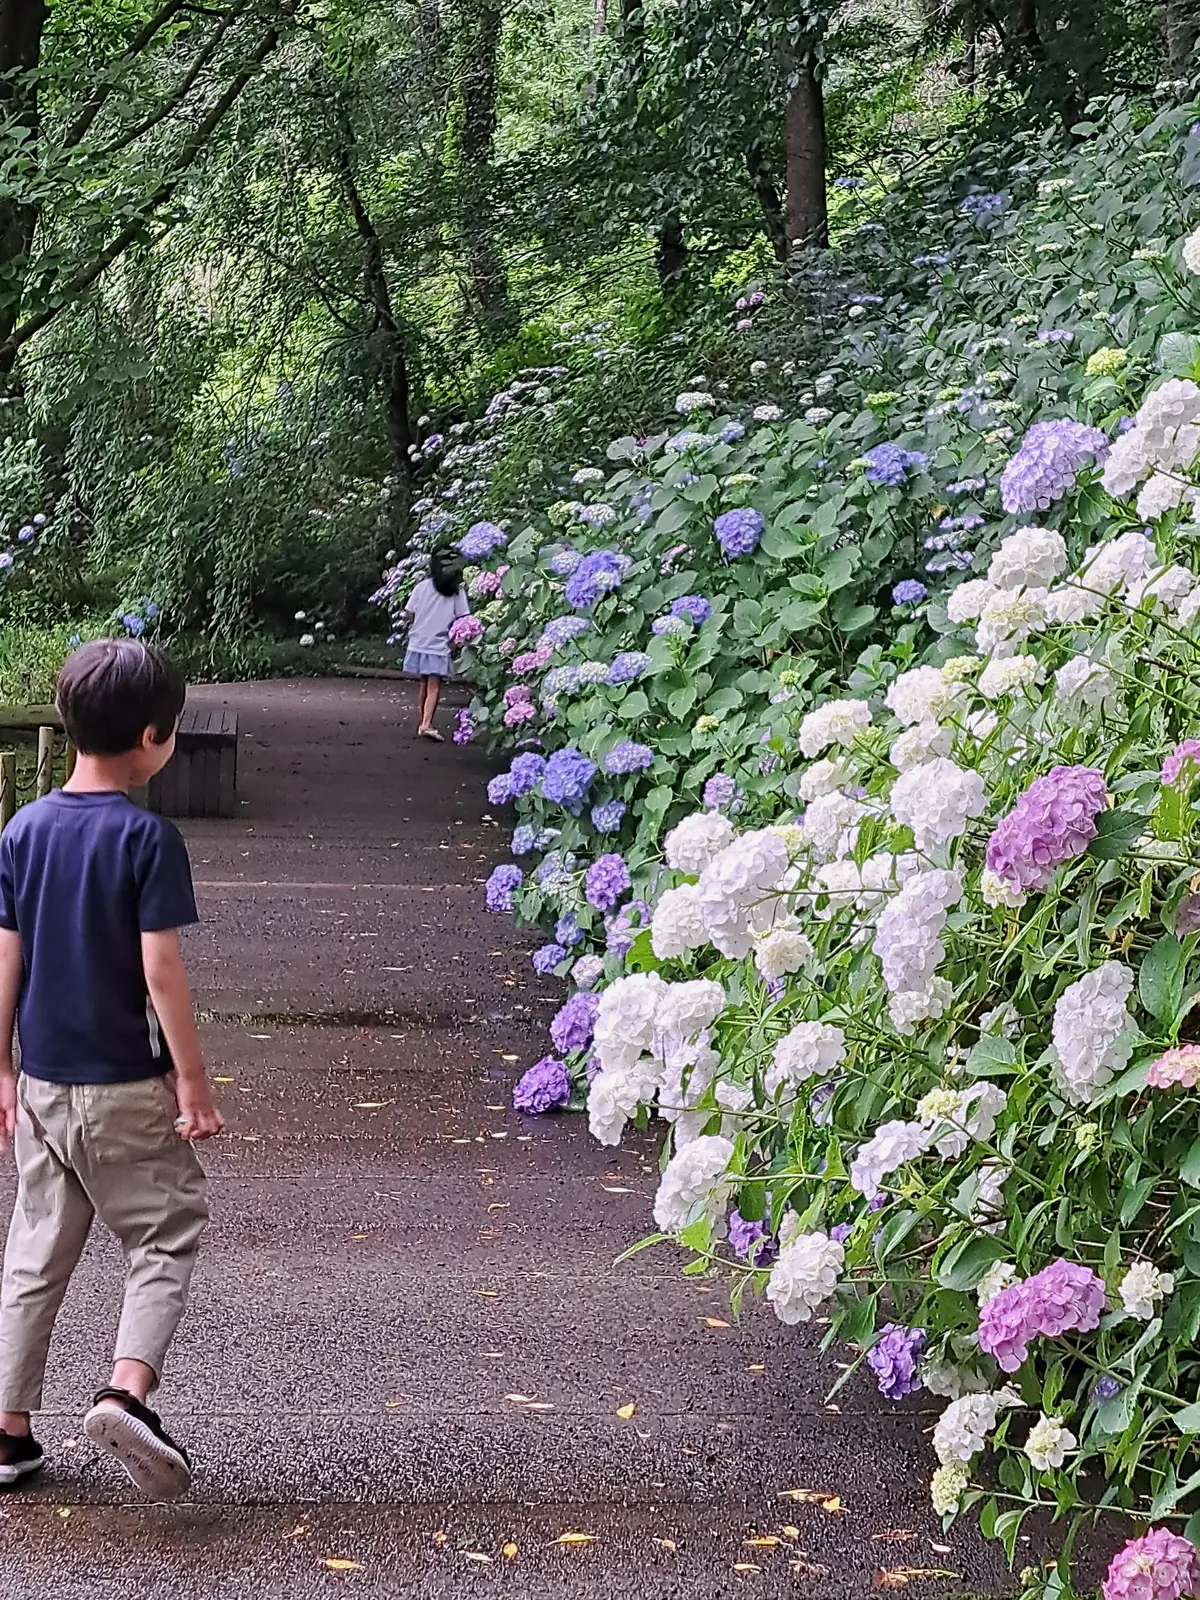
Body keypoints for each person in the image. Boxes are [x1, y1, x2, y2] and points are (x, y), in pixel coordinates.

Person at [0, 638, 223, 1501]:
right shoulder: (146, 838)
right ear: (152, 737)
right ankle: (127, 1393)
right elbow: (159, 968)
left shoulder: (22, 829)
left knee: (35, 1252)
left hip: (46, 1086)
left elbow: (6, 960)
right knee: (165, 1230)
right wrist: (192, 1080)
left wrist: (4, 1068)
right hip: (125, 1083)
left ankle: (10, 1433)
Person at [402, 547, 470, 742]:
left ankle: (423, 721)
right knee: (434, 686)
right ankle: (426, 724)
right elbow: (463, 618)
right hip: (439, 644)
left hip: (418, 642)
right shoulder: (456, 592)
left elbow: (409, 613)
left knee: (425, 683)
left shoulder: (421, 587)